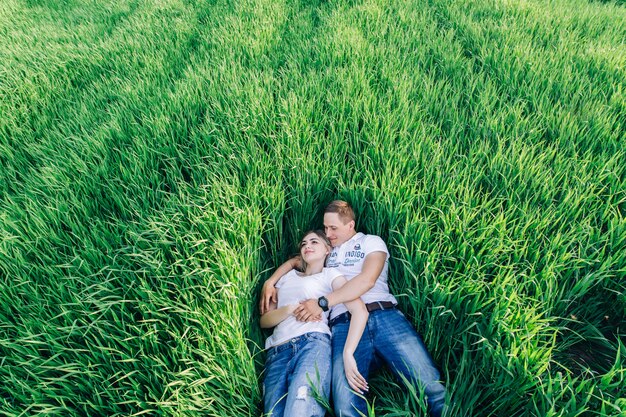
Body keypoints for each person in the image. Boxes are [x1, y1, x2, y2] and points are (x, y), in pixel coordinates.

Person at [261, 201, 447, 417]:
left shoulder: (370, 242)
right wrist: (271, 281)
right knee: (345, 406)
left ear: (350, 225)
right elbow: (298, 260)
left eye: (333, 228)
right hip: (343, 327)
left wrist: (323, 302)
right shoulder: (327, 254)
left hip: (384, 316)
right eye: (325, 228)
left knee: (430, 386)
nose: (328, 233)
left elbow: (367, 280)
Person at [260, 230, 369, 417]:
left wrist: (348, 353)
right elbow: (264, 322)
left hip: (312, 343)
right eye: (303, 244)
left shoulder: (331, 275)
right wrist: (290, 309)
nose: (307, 246)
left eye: (314, 242)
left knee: (300, 410)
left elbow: (359, 310)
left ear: (328, 250)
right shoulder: (286, 277)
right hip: (277, 350)